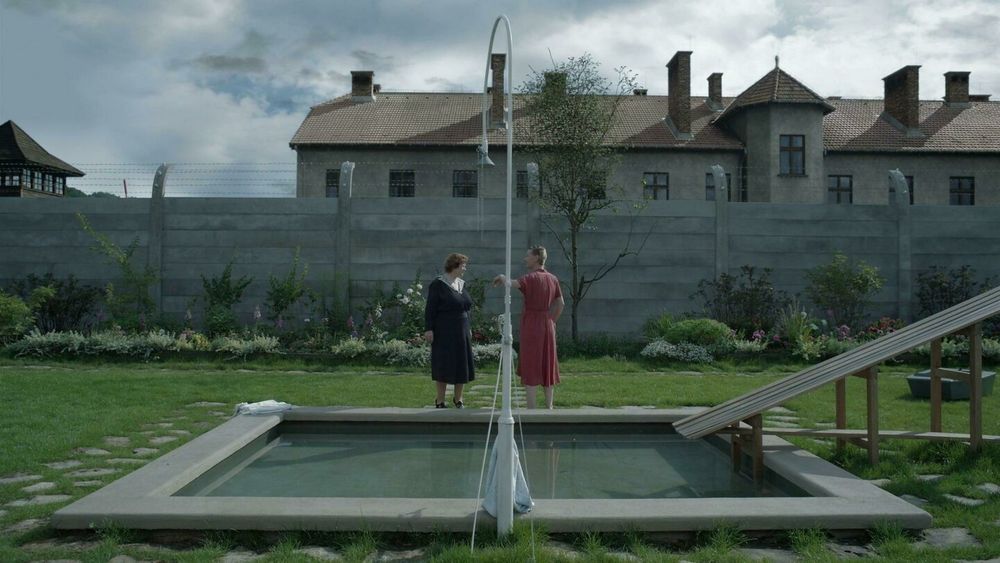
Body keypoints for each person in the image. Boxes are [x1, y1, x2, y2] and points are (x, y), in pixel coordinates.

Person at [493, 246, 564, 409]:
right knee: (547, 362)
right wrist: (552, 321)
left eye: (528, 256)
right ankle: (549, 407)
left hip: (532, 324)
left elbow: (511, 283)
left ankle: (531, 409)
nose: (525, 259)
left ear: (537, 258)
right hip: (547, 324)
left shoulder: (530, 278)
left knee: (531, 363)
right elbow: (561, 304)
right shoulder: (553, 279)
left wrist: (502, 277)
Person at [424, 253, 475, 408]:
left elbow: (466, 308)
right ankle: (440, 400)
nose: (465, 268)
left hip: (462, 330)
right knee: (443, 364)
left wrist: (469, 328)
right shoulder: (438, 284)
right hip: (444, 330)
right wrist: (429, 329)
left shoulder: (461, 284)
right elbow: (430, 308)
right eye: (463, 265)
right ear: (455, 266)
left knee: (462, 363)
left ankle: (458, 399)